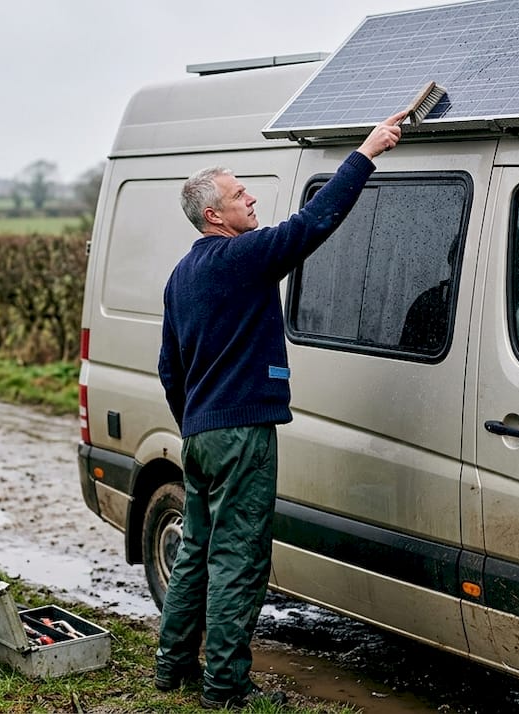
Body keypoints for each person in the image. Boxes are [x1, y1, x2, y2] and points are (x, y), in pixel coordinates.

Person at [156, 110, 406, 709]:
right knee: (238, 559)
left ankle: (171, 668)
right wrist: (366, 150)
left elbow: (171, 368)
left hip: (200, 435)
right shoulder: (240, 258)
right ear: (215, 215)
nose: (250, 199)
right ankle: (225, 687)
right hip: (242, 435)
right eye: (239, 195)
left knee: (195, 553)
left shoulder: (181, 274)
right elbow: (314, 222)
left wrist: (194, 420)